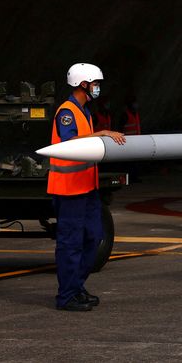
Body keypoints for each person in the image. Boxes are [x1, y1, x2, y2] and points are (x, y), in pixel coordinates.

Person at [48, 63, 126, 311]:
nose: (97, 88)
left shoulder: (85, 112)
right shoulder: (67, 112)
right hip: (69, 190)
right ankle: (67, 295)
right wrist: (101, 133)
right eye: (96, 84)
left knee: (94, 237)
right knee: (70, 243)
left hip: (87, 188)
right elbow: (70, 141)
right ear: (84, 84)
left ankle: (76, 287)